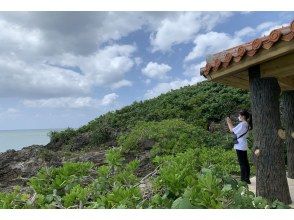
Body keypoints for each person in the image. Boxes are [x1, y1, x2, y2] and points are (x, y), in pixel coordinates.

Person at [226, 110, 253, 184]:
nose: (238, 117)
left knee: (242, 163)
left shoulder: (243, 124)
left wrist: (229, 122)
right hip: (243, 144)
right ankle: (247, 179)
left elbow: (232, 130)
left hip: (240, 145)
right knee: (245, 162)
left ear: (243, 116)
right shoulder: (247, 124)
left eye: (239, 115)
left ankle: (243, 180)